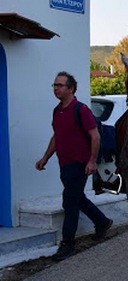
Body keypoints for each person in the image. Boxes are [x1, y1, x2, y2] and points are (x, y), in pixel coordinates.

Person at [36, 72, 113, 260]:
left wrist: (92, 161)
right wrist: (45, 157)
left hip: (80, 163)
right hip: (65, 164)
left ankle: (68, 244)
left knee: (69, 202)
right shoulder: (57, 111)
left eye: (60, 85)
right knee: (77, 198)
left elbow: (95, 136)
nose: (56, 88)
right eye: (54, 85)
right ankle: (102, 222)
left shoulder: (81, 110)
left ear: (71, 88)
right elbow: (57, 136)